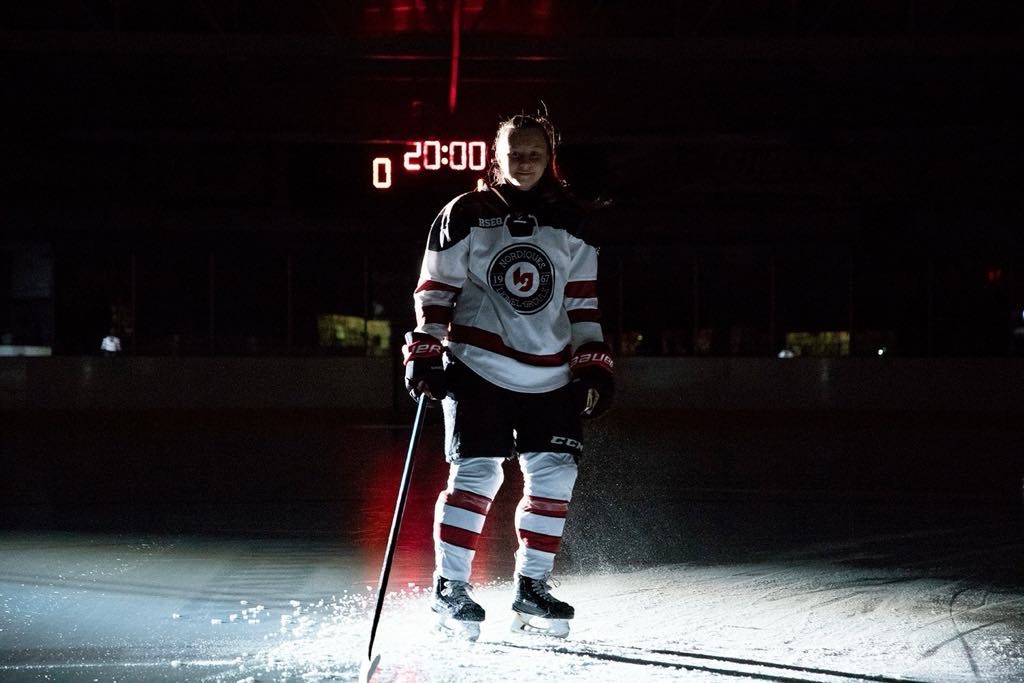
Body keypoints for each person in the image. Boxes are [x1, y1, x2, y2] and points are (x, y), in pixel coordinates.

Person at [403, 111, 613, 640]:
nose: (524, 162)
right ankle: (450, 588)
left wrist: (592, 362)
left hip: (551, 375)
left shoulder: (573, 220)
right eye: (515, 153)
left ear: (550, 158)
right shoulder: (465, 213)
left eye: (534, 154)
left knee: (555, 477)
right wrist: (426, 350)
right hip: (477, 364)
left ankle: (532, 588)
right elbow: (436, 289)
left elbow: (582, 305)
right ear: (496, 157)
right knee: (477, 475)